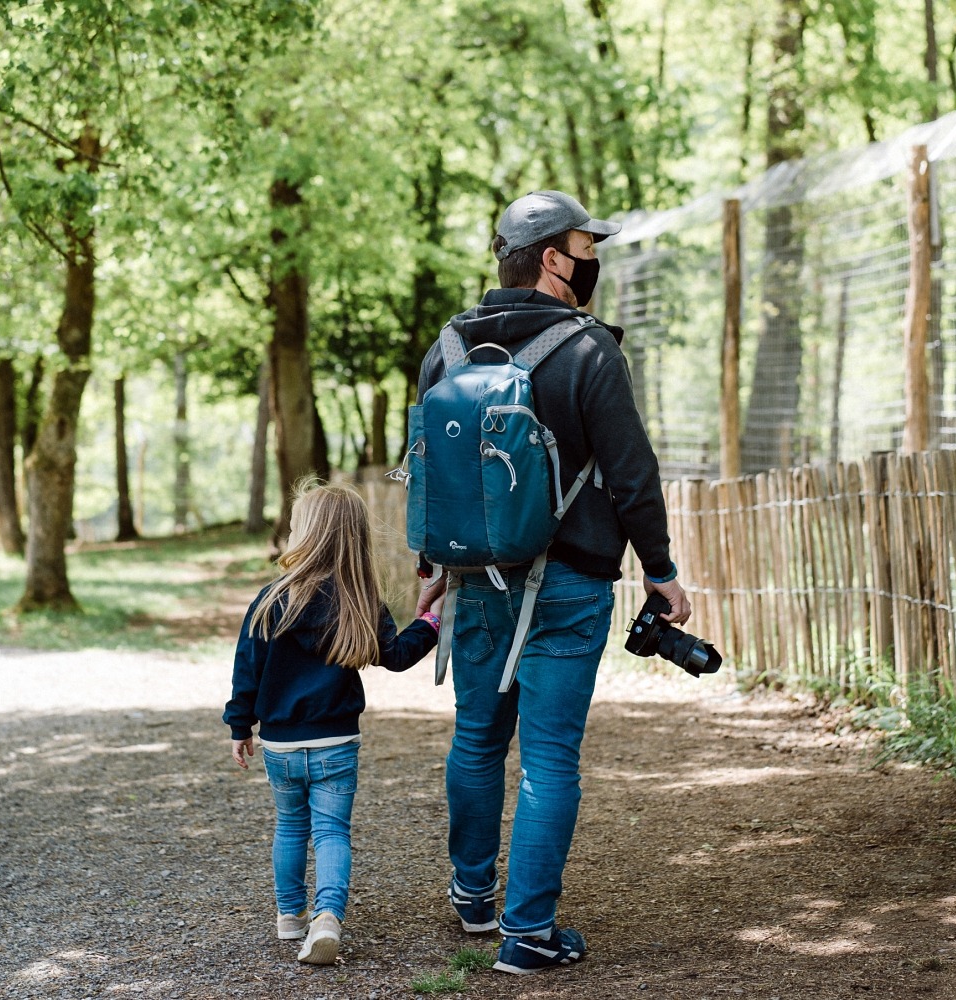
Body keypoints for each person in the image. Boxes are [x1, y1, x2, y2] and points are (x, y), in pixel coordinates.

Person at [415, 190, 691, 975]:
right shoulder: (589, 350)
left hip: (472, 582)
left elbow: (433, 473)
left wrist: (431, 569)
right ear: (550, 259)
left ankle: (474, 897)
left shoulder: (448, 350)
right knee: (547, 760)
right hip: (568, 588)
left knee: (475, 739)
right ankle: (528, 933)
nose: (593, 259)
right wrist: (661, 570)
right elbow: (633, 476)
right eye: (585, 246)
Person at [224, 480, 444, 965]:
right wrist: (430, 621)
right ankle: (327, 917)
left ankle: (289, 917)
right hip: (336, 742)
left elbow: (247, 670)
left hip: (281, 745)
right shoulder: (358, 600)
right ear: (355, 538)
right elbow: (398, 656)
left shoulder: (269, 599)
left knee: (289, 826)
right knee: (330, 832)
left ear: (302, 533)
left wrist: (240, 726)